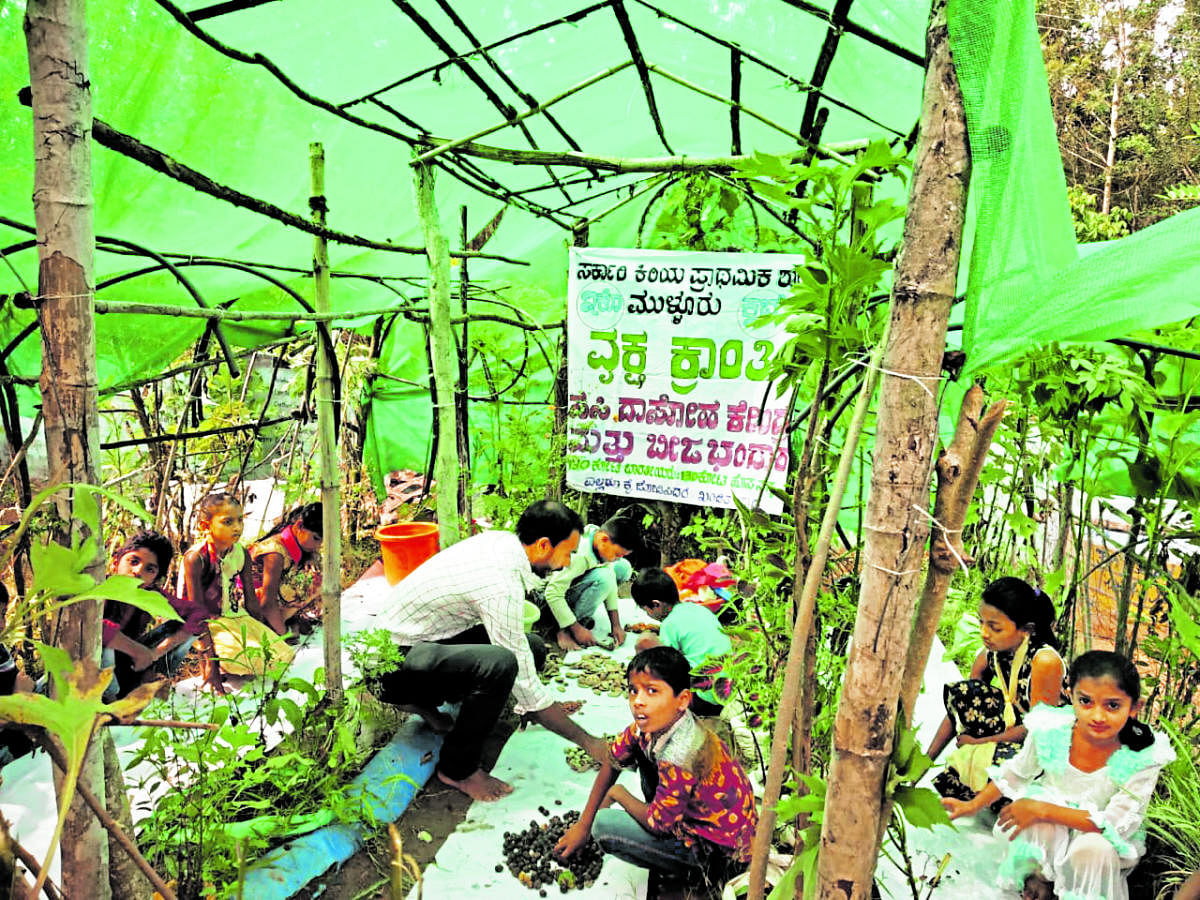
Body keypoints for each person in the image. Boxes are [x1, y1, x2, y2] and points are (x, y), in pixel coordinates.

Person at [370, 500, 611, 802]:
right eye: (568, 552)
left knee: (532, 647)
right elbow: (518, 671)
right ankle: (458, 768)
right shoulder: (500, 585)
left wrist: (543, 704)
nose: (567, 562)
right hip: (391, 667)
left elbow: (521, 655)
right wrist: (587, 741)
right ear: (543, 545)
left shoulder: (503, 543)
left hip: (422, 643)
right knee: (501, 665)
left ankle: (426, 705)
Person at [943, 650, 1174, 900]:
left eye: (1112, 705)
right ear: (1071, 697)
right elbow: (1017, 772)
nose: (1097, 715)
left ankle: (1076, 892)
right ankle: (1041, 878)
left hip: (1100, 836)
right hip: (1051, 831)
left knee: (1092, 849)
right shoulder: (1052, 728)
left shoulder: (1143, 756)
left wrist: (1041, 810)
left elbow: (1114, 823)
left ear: (1134, 708)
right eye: (1085, 701)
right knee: (1034, 820)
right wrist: (973, 805)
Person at [554, 646, 757, 893]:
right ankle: (659, 812)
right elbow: (612, 758)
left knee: (604, 826)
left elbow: (657, 825)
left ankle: (694, 873)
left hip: (717, 853)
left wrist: (617, 795)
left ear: (682, 700)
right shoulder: (653, 725)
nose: (638, 701)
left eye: (652, 691)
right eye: (633, 690)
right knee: (635, 752)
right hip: (699, 817)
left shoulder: (681, 755)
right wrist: (582, 824)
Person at [927, 577, 1065, 802]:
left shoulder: (1045, 661)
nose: (984, 632)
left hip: (1046, 749)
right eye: (982, 622)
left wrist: (977, 744)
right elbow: (962, 706)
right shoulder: (992, 654)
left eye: (994, 627)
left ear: (1026, 630)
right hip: (1013, 729)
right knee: (967, 695)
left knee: (996, 773)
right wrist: (923, 764)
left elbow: (1036, 732)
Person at [178, 492, 294, 693]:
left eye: (240, 520)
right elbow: (195, 615)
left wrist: (264, 633)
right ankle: (211, 663)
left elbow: (251, 603)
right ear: (206, 526)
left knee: (282, 653)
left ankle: (230, 658)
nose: (237, 527)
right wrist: (211, 667)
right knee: (242, 658)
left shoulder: (240, 553)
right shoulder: (196, 559)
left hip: (234, 616)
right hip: (205, 621)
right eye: (228, 522)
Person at [101, 531, 195, 699]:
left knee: (183, 627)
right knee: (103, 645)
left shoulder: (151, 594)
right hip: (90, 677)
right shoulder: (99, 589)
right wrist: (138, 651)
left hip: (129, 667)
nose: (137, 571)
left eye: (149, 569)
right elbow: (97, 629)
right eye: (133, 561)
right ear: (116, 562)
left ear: (155, 578)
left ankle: (150, 685)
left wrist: (154, 654)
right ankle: (111, 703)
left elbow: (198, 614)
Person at [631, 567, 732, 717]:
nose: (648, 614)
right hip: (726, 690)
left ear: (656, 604)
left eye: (646, 610)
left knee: (644, 641)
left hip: (704, 698)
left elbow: (666, 664)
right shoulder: (696, 608)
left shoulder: (669, 624)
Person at [541, 515, 638, 651]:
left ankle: (577, 613)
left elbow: (610, 573)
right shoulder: (579, 556)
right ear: (604, 539)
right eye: (617, 554)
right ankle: (563, 629)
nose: (617, 558)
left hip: (568, 583)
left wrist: (616, 625)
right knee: (603, 578)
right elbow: (552, 593)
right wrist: (576, 628)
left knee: (623, 568)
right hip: (546, 600)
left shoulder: (597, 537)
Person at [248, 502, 323, 636]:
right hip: (250, 607)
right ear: (299, 525)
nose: (318, 546)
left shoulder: (294, 543)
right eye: (316, 539)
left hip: (267, 601)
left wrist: (311, 558)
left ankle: (287, 619)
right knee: (308, 582)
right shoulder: (275, 553)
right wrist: (283, 635)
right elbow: (267, 602)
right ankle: (272, 627)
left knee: (316, 576)